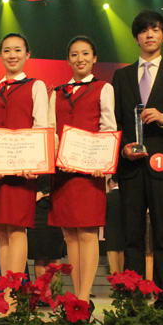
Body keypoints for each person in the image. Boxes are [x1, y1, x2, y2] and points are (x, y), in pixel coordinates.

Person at [112, 11, 163, 312]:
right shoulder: (121, 76)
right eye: (144, 30)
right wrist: (123, 150)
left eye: (155, 30)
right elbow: (116, 122)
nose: (149, 35)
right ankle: (132, 299)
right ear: (136, 37)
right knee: (131, 235)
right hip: (130, 165)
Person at [49, 35, 117, 303]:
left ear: (94, 58)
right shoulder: (57, 92)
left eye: (86, 54)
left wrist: (103, 165)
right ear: (68, 60)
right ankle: (77, 296)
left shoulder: (103, 88)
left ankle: (84, 297)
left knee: (88, 233)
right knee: (69, 235)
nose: (80, 59)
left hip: (90, 173)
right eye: (75, 54)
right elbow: (52, 131)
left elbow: (108, 128)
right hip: (63, 173)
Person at [0, 33, 48, 294]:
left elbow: (41, 126)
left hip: (23, 171)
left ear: (27, 54)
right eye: (7, 50)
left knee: (17, 229)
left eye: (18, 50)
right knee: (1, 231)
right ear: (0, 55)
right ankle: (5, 292)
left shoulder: (36, 86)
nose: (12, 55)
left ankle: (13, 294)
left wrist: (33, 164)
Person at [27, 174, 66, 280]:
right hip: (35, 210)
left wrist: (43, 193)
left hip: (54, 208)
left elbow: (62, 183)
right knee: (38, 256)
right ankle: (41, 289)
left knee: (54, 256)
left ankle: (54, 289)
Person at [104, 177, 124, 275]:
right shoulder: (127, 196)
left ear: (111, 182)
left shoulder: (106, 197)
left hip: (110, 231)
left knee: (113, 265)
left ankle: (116, 282)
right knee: (123, 264)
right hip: (124, 231)